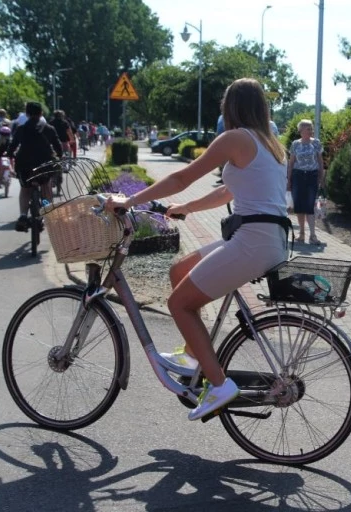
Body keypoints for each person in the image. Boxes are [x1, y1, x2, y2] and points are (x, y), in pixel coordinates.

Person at [103, 78, 290, 420]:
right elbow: (226, 194)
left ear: (230, 109)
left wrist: (129, 199)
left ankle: (219, 385)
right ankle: (193, 357)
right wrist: (186, 208)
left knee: (178, 304)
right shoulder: (271, 145)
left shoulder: (236, 138)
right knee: (178, 271)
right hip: (266, 239)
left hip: (252, 241)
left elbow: (182, 177)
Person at [6, 102, 63, 232]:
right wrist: (59, 156)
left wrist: (10, 154)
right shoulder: (49, 129)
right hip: (44, 165)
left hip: (24, 165)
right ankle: (47, 212)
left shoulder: (21, 129)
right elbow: (58, 147)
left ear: (27, 114)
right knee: (46, 187)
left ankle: (23, 216)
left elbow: (12, 147)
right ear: (41, 113)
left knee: (25, 189)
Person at [287, 119, 324, 244]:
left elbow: (320, 161)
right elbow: (291, 163)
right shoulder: (295, 144)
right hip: (298, 176)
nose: (310, 130)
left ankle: (313, 235)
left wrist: (321, 176)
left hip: (312, 176)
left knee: (310, 205)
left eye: (311, 128)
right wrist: (289, 180)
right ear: (301, 130)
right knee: (299, 206)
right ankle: (301, 234)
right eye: (308, 128)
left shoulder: (316, 143)